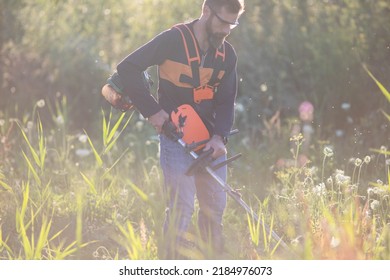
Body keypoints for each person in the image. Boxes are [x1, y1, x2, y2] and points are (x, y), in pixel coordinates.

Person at [104, 0, 245, 258]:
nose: (226, 30)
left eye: (232, 25)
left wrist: (219, 137)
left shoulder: (228, 55)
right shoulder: (173, 40)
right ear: (206, 12)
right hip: (176, 138)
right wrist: (153, 111)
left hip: (210, 142)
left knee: (215, 208)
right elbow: (128, 67)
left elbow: (226, 101)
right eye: (223, 22)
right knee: (181, 208)